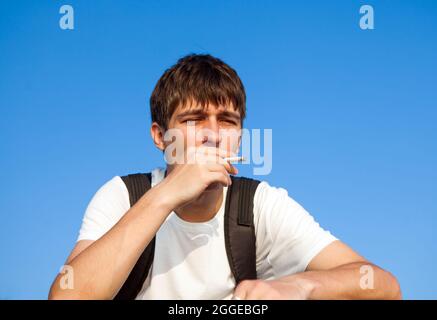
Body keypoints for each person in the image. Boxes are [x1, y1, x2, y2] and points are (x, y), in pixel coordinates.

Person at [49, 54, 401, 300]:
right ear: (159, 136)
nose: (213, 135)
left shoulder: (260, 205)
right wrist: (166, 195)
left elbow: (383, 287)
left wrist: (298, 287)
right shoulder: (122, 196)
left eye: (228, 122)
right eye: (193, 120)